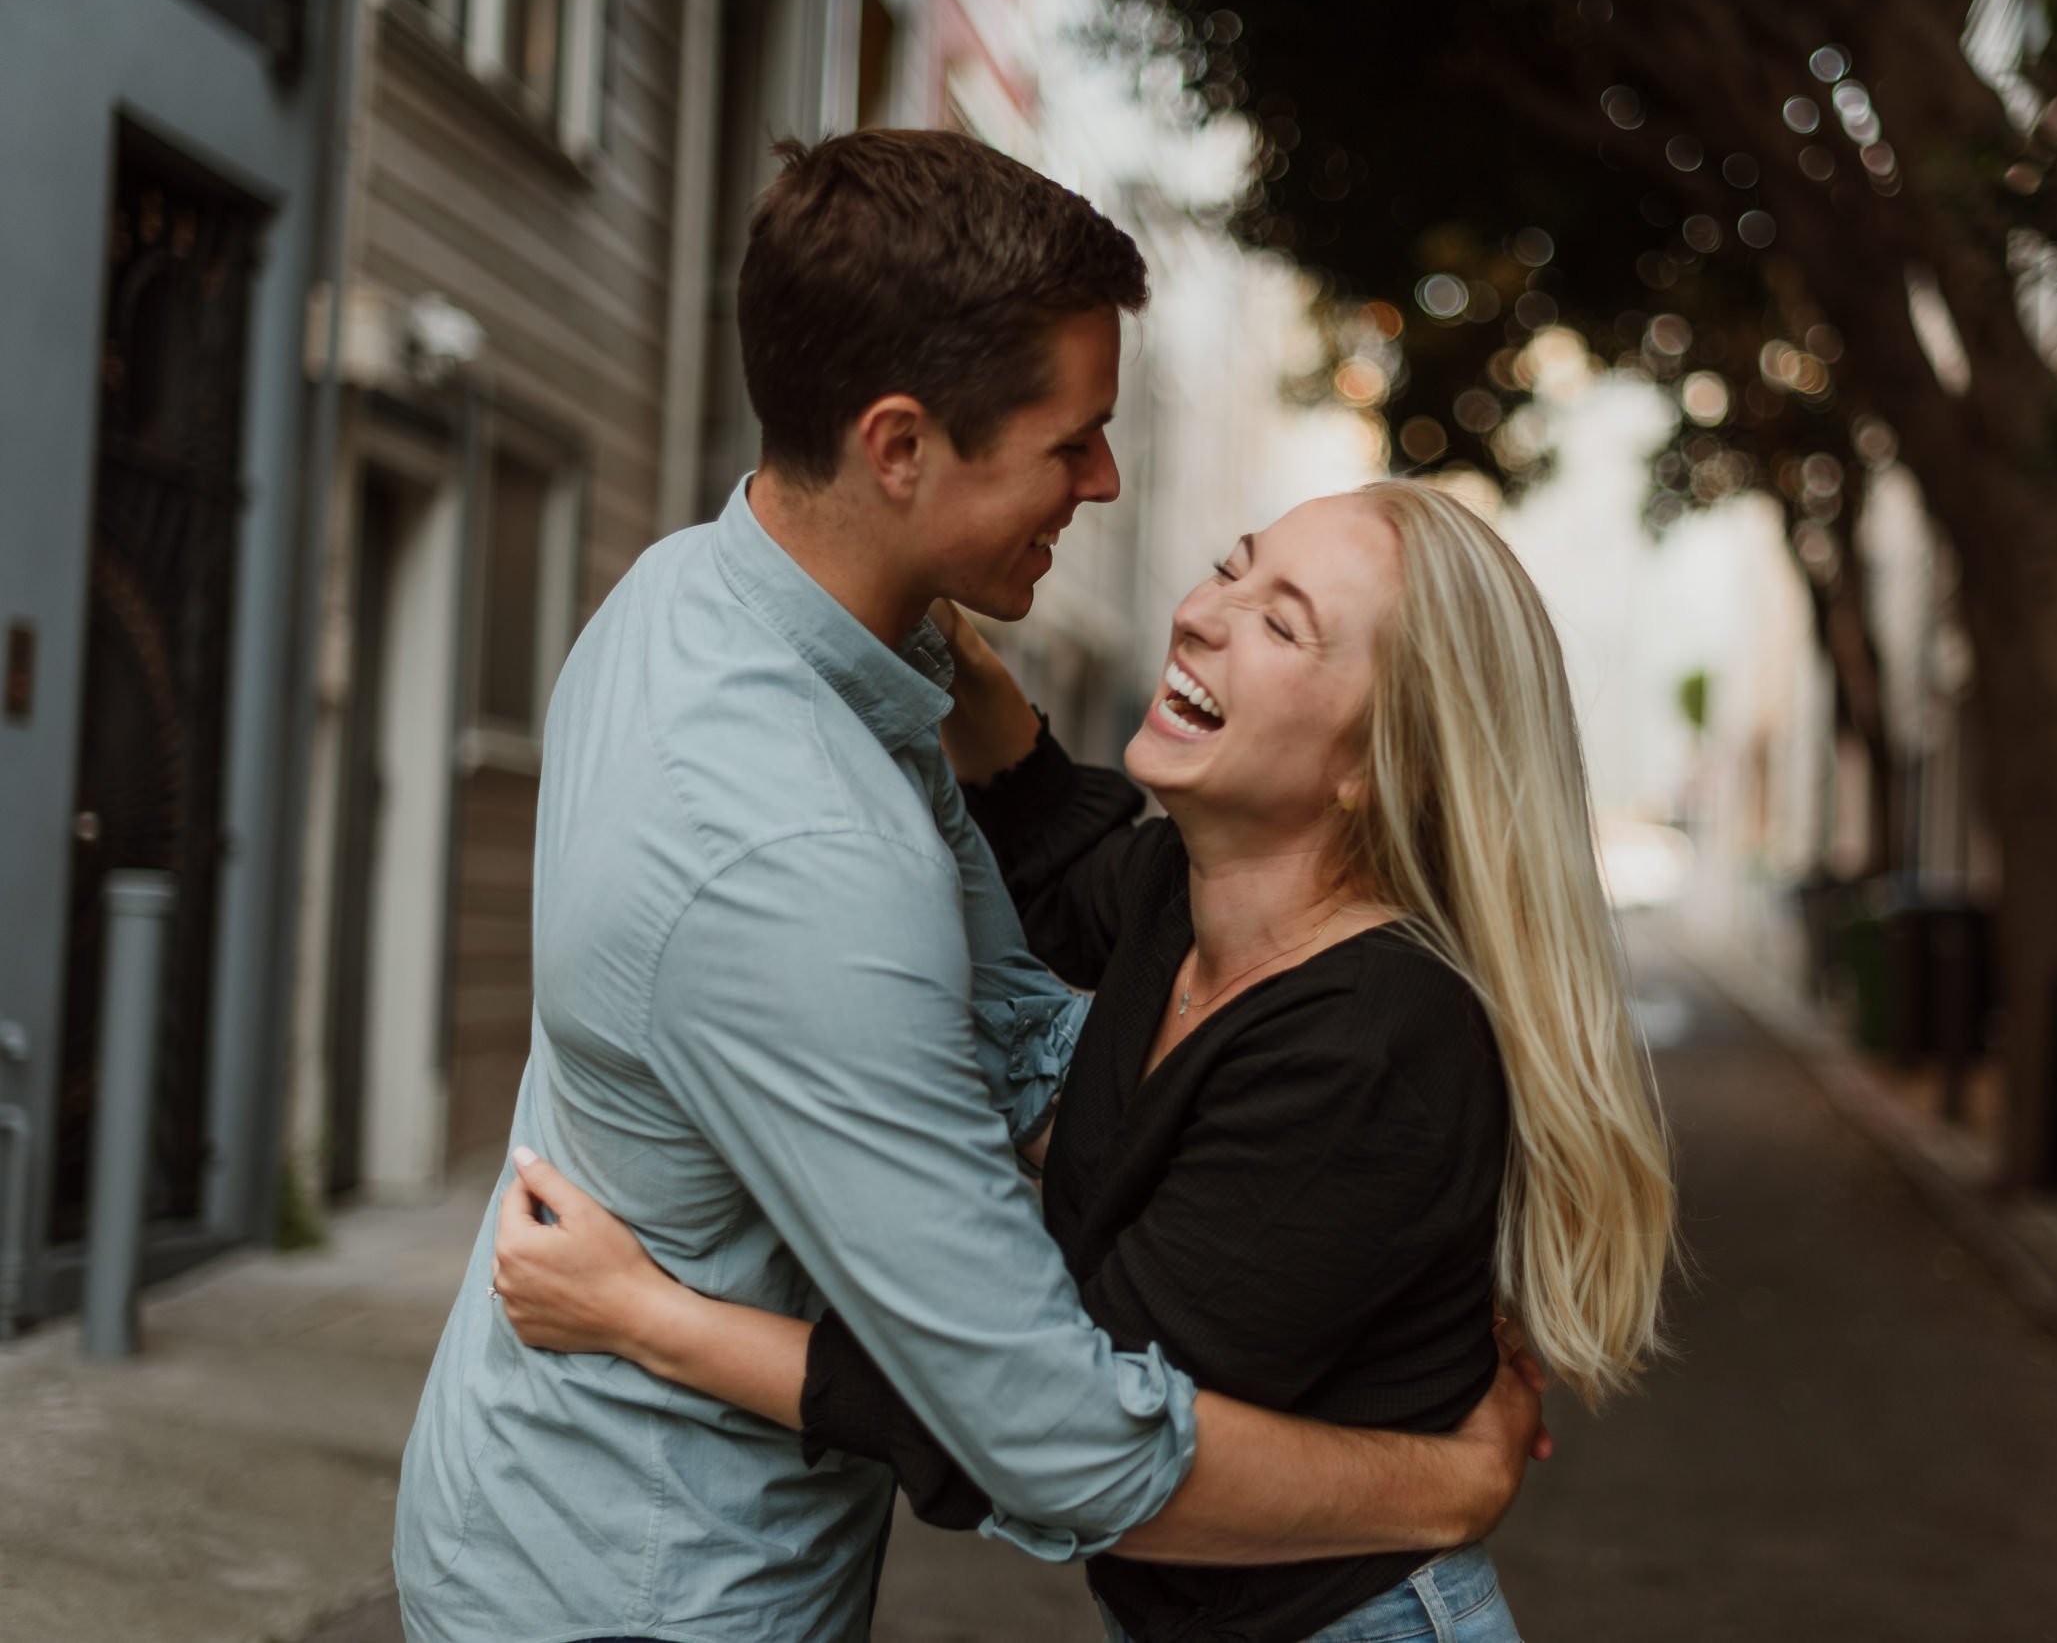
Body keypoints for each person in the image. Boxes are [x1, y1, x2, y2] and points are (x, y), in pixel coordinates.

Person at [392, 132, 1551, 1643]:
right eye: (1070, 440)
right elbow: (1048, 1426)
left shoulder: (694, 599)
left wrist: (1358, 1208)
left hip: (537, 1508)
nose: (1110, 479)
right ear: (899, 447)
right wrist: (1434, 1488)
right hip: (650, 1585)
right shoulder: (805, 853)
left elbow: (1018, 1031)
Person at [490, 480, 1683, 1642]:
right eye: (1232, 563)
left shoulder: (1370, 1050)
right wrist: (913, 597)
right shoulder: (1192, 898)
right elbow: (1060, 855)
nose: (1202, 612)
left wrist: (643, 1315)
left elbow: (1043, 1418)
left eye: (1281, 622)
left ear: (1380, 764)